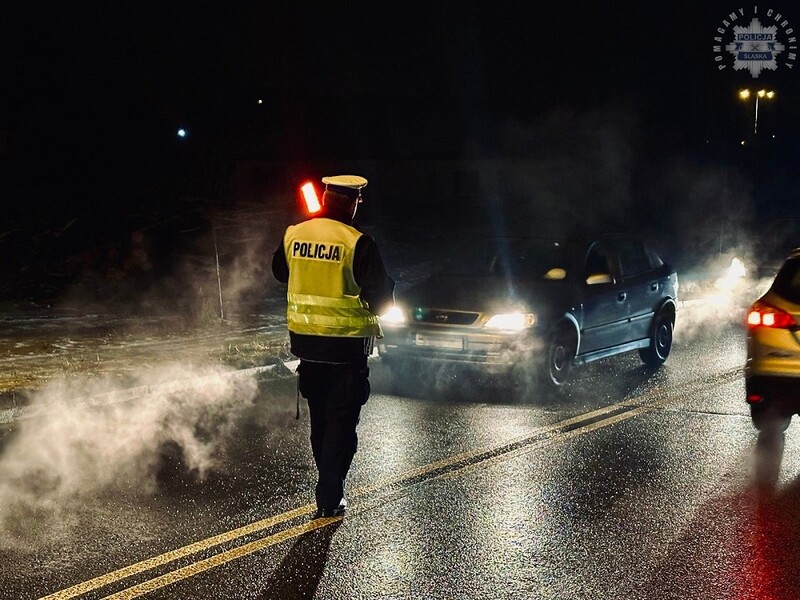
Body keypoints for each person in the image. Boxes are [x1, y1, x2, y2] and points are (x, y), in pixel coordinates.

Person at [272, 174, 395, 518]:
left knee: (320, 423)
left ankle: (328, 487)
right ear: (354, 201)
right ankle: (329, 494)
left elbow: (280, 272)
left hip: (307, 349)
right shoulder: (358, 242)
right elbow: (382, 302)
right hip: (345, 352)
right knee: (341, 427)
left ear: (326, 199)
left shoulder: (295, 234)